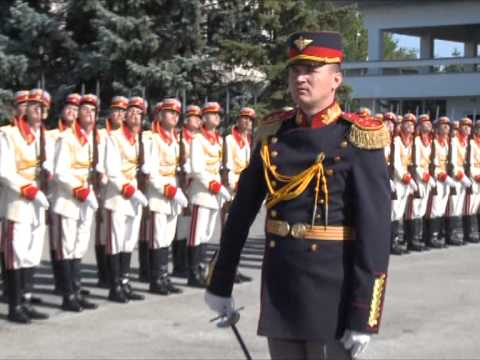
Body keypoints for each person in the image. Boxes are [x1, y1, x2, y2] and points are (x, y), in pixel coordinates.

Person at [205, 31, 391, 359]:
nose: (300, 79)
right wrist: (220, 280)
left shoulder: (358, 137)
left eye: (311, 71)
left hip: (331, 292)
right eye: (295, 71)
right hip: (281, 284)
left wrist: (365, 314)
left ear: (335, 79)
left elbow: (375, 235)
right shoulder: (274, 134)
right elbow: (241, 212)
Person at [0, 89, 51, 323]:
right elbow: (5, 172)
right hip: (18, 203)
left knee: (31, 255)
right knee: (16, 255)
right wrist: (30, 190)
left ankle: (26, 300)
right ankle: (14, 305)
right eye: (33, 106)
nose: (37, 111)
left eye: (41, 107)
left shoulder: (42, 135)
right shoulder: (8, 135)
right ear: (25, 109)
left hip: (37, 206)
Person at [50, 94, 100, 311]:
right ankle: (68, 295)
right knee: (67, 248)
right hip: (68, 201)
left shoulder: (89, 139)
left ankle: (77, 291)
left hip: (84, 202)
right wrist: (79, 190)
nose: (90, 113)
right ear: (78, 113)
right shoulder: (67, 138)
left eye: (93, 110)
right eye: (85, 109)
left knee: (79, 248)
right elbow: (60, 172)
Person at [103, 96, 148, 303]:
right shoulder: (114, 137)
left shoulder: (139, 139)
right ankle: (114, 286)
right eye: (131, 112)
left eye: (139, 113)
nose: (134, 115)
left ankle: (124, 281)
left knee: (128, 242)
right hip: (118, 196)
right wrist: (130, 190)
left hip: (133, 198)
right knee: (116, 242)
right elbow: (112, 172)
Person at [187, 102, 232, 288]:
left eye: (218, 114)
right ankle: (193, 273)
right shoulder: (198, 140)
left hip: (214, 194)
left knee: (206, 234)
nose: (216, 117)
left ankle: (202, 269)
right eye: (212, 114)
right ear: (204, 118)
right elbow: (197, 169)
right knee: (196, 234)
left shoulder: (218, 140)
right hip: (203, 192)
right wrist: (214, 185)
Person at [146, 98, 187, 295]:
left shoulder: (174, 139)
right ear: (161, 115)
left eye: (177, 114)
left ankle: (164, 276)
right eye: (170, 112)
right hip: (159, 196)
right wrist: (170, 190)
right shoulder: (153, 139)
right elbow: (152, 174)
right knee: (158, 239)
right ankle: (156, 279)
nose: (174, 116)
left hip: (172, 196)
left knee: (168, 238)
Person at [96, 96, 129, 288]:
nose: (119, 114)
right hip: (103, 185)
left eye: (123, 111)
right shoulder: (102, 133)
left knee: (114, 234)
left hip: (118, 187)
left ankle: (113, 275)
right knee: (103, 233)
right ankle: (104, 274)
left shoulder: (125, 136)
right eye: (116, 110)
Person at [172, 104, 202, 278]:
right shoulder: (180, 138)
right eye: (193, 117)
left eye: (199, 118)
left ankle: (189, 263)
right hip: (182, 183)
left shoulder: (198, 138)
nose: (197, 120)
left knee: (191, 225)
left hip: (192, 184)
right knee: (181, 226)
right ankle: (179, 264)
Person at [391, 114, 418, 254]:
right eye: (408, 123)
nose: (410, 126)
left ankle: (397, 240)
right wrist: (403, 176)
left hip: (407, 179)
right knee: (394, 211)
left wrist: (411, 178)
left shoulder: (412, 142)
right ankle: (391, 242)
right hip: (398, 180)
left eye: (413, 124)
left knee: (400, 211)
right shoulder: (396, 140)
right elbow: (395, 163)